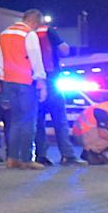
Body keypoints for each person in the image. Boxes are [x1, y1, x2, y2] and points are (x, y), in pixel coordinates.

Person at [0, 10, 49, 169]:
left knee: (15, 122)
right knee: (28, 122)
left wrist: (4, 78)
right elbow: (35, 58)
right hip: (26, 82)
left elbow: (0, 59)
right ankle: (27, 159)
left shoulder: (4, 33)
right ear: (34, 22)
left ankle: (12, 158)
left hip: (9, 82)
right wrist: (41, 81)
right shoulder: (28, 34)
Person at [33, 22, 86, 165]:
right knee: (60, 120)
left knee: (39, 122)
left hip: (33, 82)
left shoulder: (26, 33)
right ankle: (67, 155)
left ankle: (41, 155)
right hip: (51, 79)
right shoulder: (47, 31)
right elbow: (64, 50)